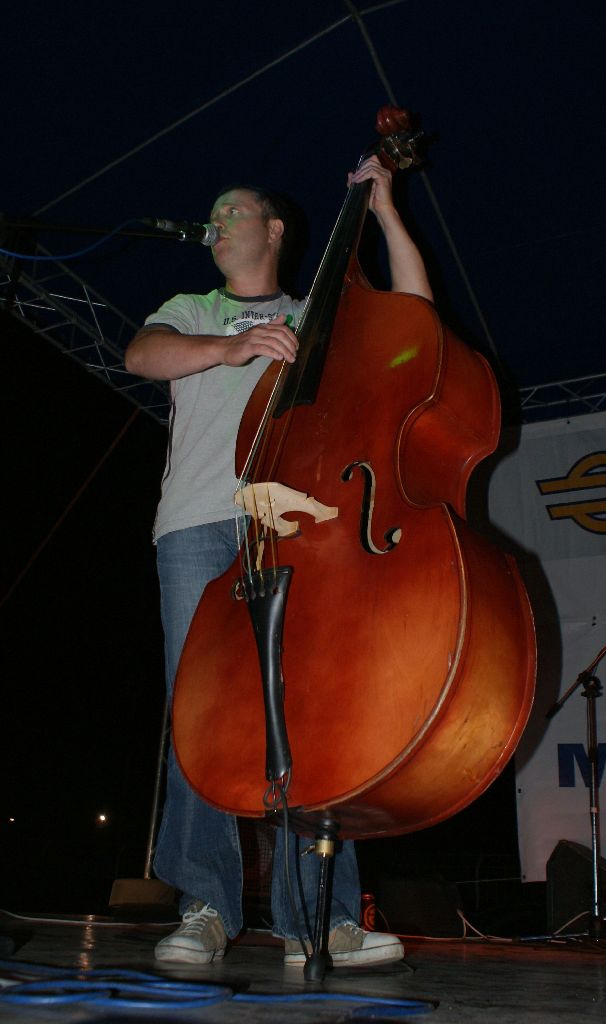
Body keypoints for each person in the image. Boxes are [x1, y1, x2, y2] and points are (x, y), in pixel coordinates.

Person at [125, 155, 433, 967]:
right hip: (196, 526)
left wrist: (384, 208)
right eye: (213, 215)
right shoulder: (192, 309)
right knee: (199, 707)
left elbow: (413, 316)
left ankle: (317, 918)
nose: (218, 222)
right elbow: (142, 355)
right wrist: (227, 352)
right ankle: (204, 904)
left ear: (274, 229)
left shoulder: (313, 309)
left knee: (303, 714)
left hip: (296, 528)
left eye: (234, 211)